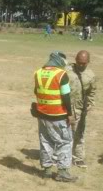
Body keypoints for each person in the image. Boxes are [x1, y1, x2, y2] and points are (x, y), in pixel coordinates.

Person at [33, 51, 77, 182]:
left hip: (42, 113)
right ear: (59, 61)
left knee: (45, 141)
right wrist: (70, 114)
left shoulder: (38, 72)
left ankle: (46, 171)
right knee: (65, 142)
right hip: (58, 114)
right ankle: (62, 172)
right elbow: (65, 96)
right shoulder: (61, 74)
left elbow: (36, 91)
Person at [65, 50, 97, 168]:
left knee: (79, 133)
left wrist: (90, 104)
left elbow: (92, 91)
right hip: (66, 107)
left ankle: (78, 158)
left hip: (80, 108)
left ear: (88, 62)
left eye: (84, 63)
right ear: (75, 60)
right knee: (64, 132)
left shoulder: (91, 75)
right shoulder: (67, 71)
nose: (81, 65)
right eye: (79, 62)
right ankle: (63, 156)